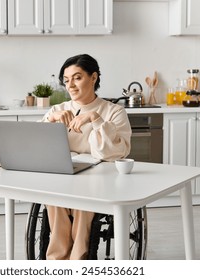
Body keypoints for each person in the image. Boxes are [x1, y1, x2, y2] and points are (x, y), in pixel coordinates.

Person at [41, 54, 132, 260]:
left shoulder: (113, 112)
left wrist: (95, 118)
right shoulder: (57, 110)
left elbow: (114, 153)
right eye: (66, 80)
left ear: (93, 77)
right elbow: (37, 147)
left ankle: (78, 260)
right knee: (52, 197)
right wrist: (51, 120)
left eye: (77, 78)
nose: (70, 85)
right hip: (63, 176)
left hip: (97, 180)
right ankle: (56, 261)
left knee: (85, 201)